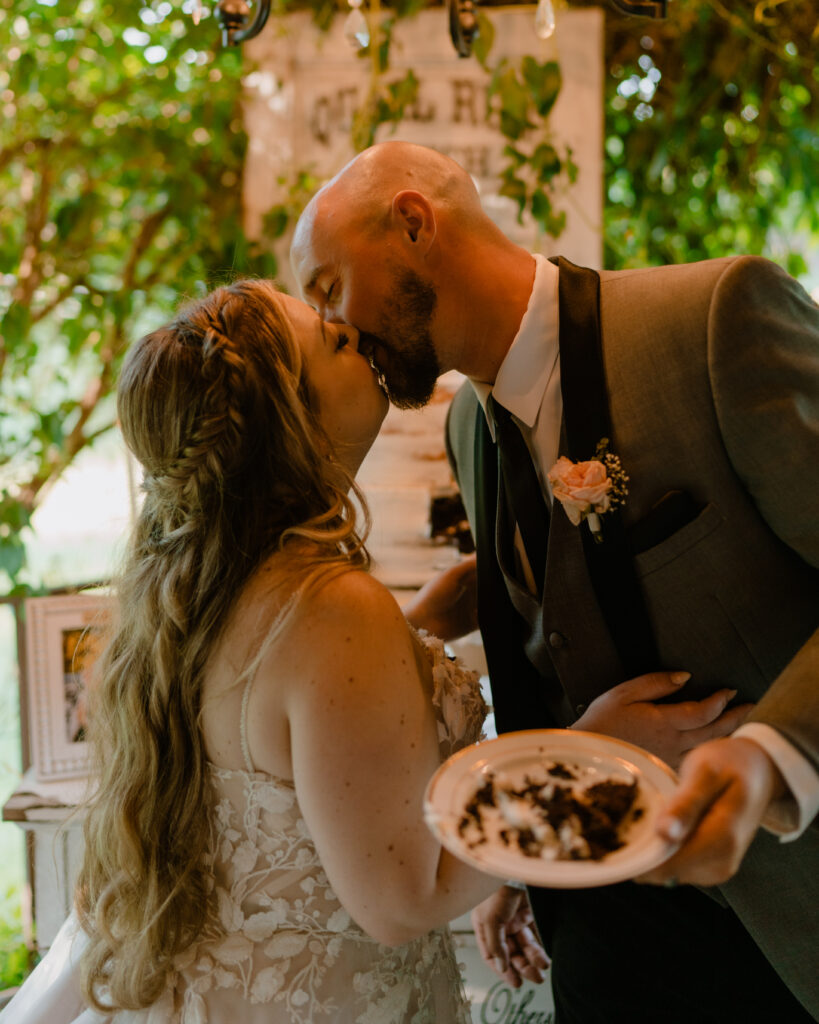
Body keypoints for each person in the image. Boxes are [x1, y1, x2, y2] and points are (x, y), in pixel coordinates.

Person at [290, 141, 819, 1023]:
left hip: (781, 911)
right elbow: (545, 654)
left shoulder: (709, 320)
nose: (336, 328)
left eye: (328, 288)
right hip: (597, 933)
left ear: (415, 223)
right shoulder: (469, 424)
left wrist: (770, 755)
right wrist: (523, 864)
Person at [0, 278, 551, 1024]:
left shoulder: (192, 592)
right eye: (330, 339)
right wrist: (595, 752)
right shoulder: (330, 608)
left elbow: (271, 725)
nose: (351, 331)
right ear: (290, 419)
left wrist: (415, 628)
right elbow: (402, 898)